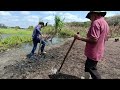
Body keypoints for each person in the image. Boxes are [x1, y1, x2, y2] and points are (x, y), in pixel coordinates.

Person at [74, 11, 110, 79]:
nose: (90, 19)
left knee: (92, 69)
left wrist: (80, 38)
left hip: (94, 51)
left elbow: (94, 40)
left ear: (94, 14)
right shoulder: (105, 23)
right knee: (88, 66)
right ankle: (86, 77)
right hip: (98, 50)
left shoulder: (96, 22)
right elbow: (106, 37)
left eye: (90, 17)